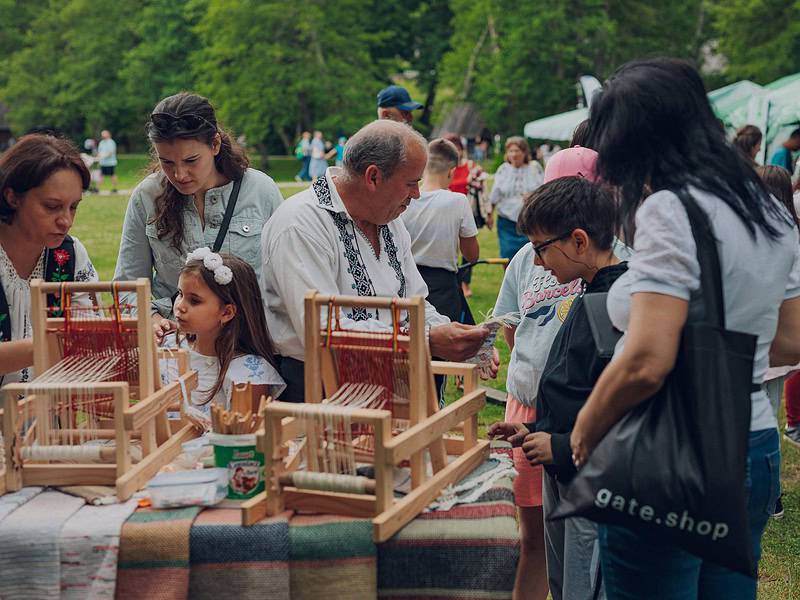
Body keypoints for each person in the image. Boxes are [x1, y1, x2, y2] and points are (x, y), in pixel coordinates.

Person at [568, 58, 800, 599]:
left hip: (669, 445)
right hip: (752, 436)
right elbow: (791, 338)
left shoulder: (671, 208)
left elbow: (648, 359)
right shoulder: (768, 207)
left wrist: (586, 428)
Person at [260, 120, 496, 401]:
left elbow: (414, 303)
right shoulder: (299, 224)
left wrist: (453, 334)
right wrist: (426, 340)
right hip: (316, 392)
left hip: (385, 382)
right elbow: (322, 330)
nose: (417, 194)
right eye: (411, 183)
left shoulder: (389, 220)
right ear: (373, 177)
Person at [487, 147, 613, 600]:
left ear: (579, 241)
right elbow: (573, 389)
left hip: (589, 479)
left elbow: (621, 411)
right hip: (562, 462)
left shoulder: (612, 305)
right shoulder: (583, 295)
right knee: (565, 582)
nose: (537, 263)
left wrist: (558, 443)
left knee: (585, 583)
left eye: (542, 249)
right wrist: (533, 427)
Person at [113, 92, 283, 341]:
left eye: (191, 160)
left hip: (249, 346)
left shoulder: (261, 191)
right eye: (166, 162)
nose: (179, 174)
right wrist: (151, 318)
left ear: (214, 144)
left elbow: (283, 282)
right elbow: (127, 285)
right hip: (174, 347)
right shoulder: (146, 196)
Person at [0, 134, 99, 386]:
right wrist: (51, 345)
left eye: (73, 207)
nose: (66, 220)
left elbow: (89, 336)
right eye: (52, 206)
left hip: (50, 418)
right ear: (13, 197)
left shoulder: (71, 255)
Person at [159, 251, 284, 425]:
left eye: (194, 301)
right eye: (180, 294)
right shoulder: (166, 347)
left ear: (227, 312)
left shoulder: (249, 373)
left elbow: (242, 440)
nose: (180, 306)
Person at [401, 138, 478, 323]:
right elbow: (472, 255)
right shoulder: (458, 201)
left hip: (405, 281)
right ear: (452, 172)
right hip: (443, 285)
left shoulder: (403, 198)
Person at [444, 133, 488, 298]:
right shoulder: (442, 169)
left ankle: (465, 282)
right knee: (450, 248)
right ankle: (453, 281)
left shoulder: (470, 166)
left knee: (467, 249)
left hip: (466, 211)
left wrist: (487, 212)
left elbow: (481, 188)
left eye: (457, 148)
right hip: (446, 212)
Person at [489, 136, 544, 260]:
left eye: (517, 151)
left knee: (529, 255)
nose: (514, 154)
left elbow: (544, 190)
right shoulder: (503, 169)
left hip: (529, 221)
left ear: (524, 152)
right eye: (511, 151)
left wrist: (533, 196)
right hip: (507, 222)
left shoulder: (534, 168)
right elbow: (495, 194)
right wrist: (489, 215)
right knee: (507, 254)